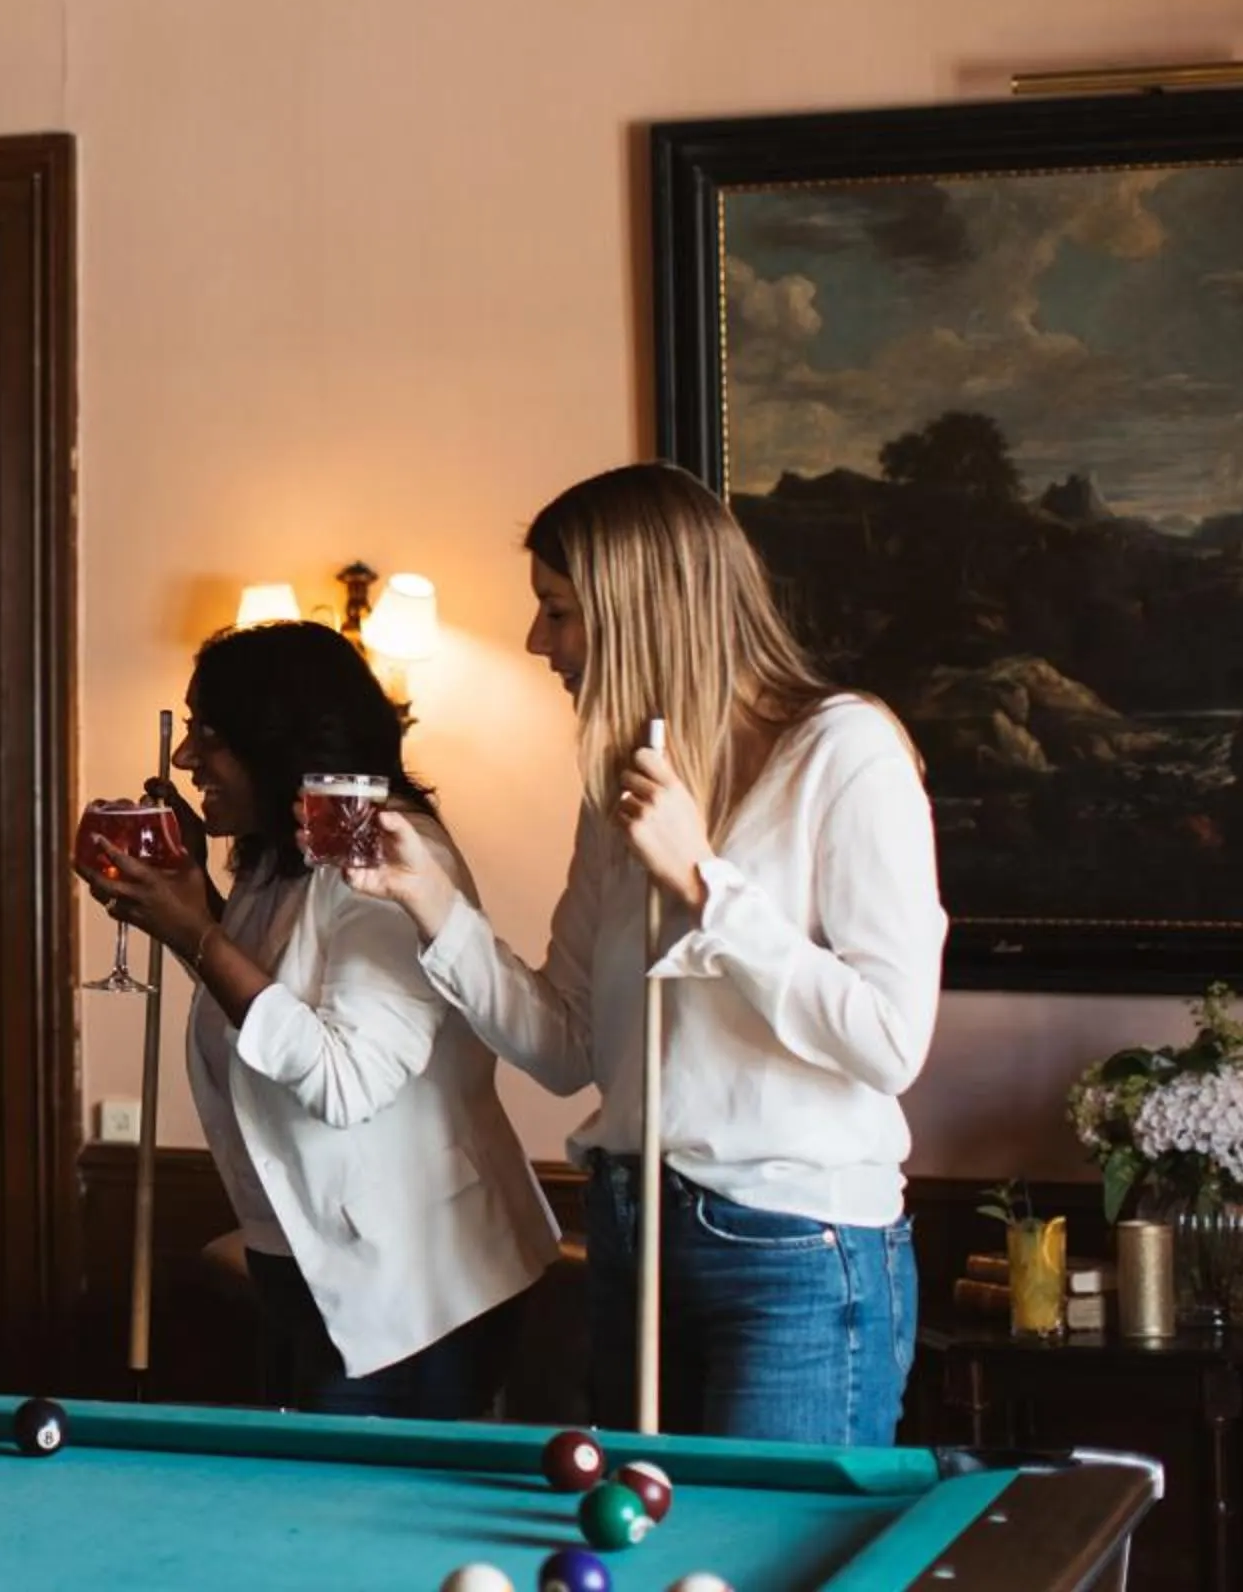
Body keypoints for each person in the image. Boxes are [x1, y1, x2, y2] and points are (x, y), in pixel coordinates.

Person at [356, 461, 946, 1445]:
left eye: (558, 610)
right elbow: (566, 1043)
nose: (536, 640)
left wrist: (706, 881)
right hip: (633, 1237)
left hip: (793, 1248)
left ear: (639, 607)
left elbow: (890, 1042)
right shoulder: (621, 786)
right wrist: (434, 903)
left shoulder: (846, 751)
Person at [84, 622, 556, 1418]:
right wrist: (201, 896)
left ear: (278, 745)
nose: (185, 760)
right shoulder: (281, 855)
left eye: (210, 735)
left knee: (362, 1533)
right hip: (310, 1269)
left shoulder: (390, 855)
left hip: (412, 1292)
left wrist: (195, 934)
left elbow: (344, 1081)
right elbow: (287, 1000)